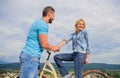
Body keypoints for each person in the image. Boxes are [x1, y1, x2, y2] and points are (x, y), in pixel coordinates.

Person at [19, 6, 59, 78]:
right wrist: (54, 48)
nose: (53, 18)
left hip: (32, 57)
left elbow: (40, 42)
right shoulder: (43, 24)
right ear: (49, 14)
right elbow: (44, 44)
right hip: (31, 57)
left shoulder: (38, 22)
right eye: (53, 16)